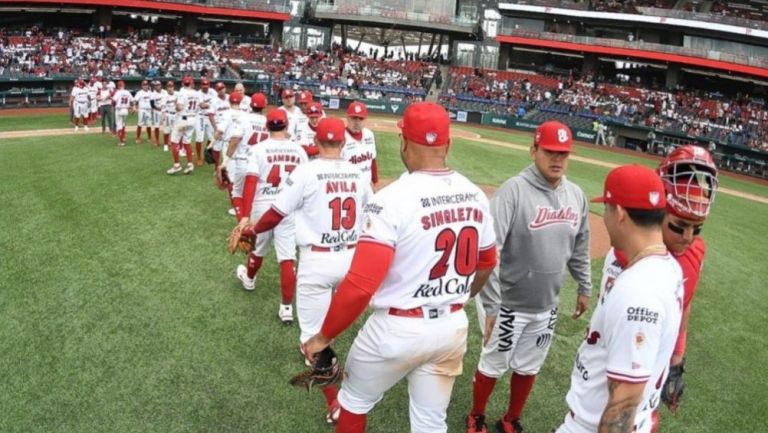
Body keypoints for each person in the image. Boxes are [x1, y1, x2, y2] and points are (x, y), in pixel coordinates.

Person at [303, 102, 498, 433]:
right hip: (451, 326)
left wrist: (322, 337)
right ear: (448, 144)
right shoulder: (475, 195)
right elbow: (487, 261)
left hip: (396, 330)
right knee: (430, 421)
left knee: (353, 402)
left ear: (404, 143)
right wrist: (460, 296)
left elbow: (361, 285)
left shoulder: (391, 199)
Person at [466, 121, 592, 433]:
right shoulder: (514, 191)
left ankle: (511, 418)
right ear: (533, 149)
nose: (558, 159)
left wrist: (584, 284)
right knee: (493, 364)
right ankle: (477, 415)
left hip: (546, 305)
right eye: (551, 151)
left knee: (529, 366)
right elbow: (489, 252)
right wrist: (492, 306)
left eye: (564, 153)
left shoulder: (576, 195)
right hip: (509, 302)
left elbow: (580, 245)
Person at [245, 116, 372, 424]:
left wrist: (253, 230)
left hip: (317, 260)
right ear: (343, 142)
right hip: (352, 258)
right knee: (357, 322)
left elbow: (276, 214)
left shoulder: (306, 171)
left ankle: (335, 404)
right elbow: (372, 215)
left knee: (313, 339)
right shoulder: (357, 172)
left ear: (316, 142)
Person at [555, 164, 683, 433]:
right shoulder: (669, 267)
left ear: (620, 213)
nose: (606, 218)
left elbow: (624, 403)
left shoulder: (638, 291)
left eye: (608, 209)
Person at [598, 145, 719, 431]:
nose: (688, 237)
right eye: (677, 227)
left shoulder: (694, 254)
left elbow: (685, 302)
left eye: (696, 229)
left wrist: (677, 355)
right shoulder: (628, 257)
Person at [235, 109, 308, 324]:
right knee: (287, 257)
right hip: (288, 206)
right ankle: (286, 307)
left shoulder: (257, 149)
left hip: (262, 205)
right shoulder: (299, 150)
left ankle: (249, 279)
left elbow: (250, 181)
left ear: (267, 127)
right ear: (287, 127)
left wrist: (245, 216)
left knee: (258, 248)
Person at [167, 76, 198, 175]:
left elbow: (179, 107)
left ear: (183, 84)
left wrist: (176, 107)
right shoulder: (196, 93)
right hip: (193, 119)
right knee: (187, 142)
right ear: (191, 83)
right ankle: (189, 164)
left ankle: (177, 165)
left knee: (174, 141)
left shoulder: (182, 92)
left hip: (183, 119)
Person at [342, 101, 379, 187]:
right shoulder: (341, 137)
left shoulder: (369, 134)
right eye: (354, 118)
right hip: (348, 187)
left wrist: (375, 181)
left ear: (365, 120)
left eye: (361, 119)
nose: (357, 122)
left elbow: (372, 160)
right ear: (347, 117)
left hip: (367, 187)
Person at [196, 78, 217, 166]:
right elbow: (202, 106)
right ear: (201, 85)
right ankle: (199, 158)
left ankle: (206, 153)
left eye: (207, 85)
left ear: (209, 85)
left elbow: (217, 102)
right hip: (200, 117)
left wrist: (209, 104)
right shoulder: (198, 93)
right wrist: (211, 104)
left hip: (210, 117)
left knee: (211, 138)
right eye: (203, 85)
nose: (205, 86)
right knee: (199, 138)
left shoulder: (212, 92)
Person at [112, 80, 134, 146]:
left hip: (119, 110)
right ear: (124, 85)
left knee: (119, 126)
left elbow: (113, 101)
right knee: (123, 124)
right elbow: (132, 101)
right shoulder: (127, 92)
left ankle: (121, 142)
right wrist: (132, 107)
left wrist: (113, 106)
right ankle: (123, 137)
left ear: (118, 86)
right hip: (126, 110)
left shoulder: (118, 92)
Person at [160, 80, 178, 152]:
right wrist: (162, 116)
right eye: (168, 86)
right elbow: (163, 107)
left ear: (173, 87)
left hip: (175, 114)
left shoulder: (177, 94)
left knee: (175, 131)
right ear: (166, 87)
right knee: (166, 131)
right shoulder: (164, 96)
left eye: (171, 86)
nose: (170, 88)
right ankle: (165, 145)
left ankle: (174, 144)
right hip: (167, 114)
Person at [150, 80, 166, 147]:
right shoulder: (153, 94)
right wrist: (158, 109)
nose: (157, 86)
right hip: (157, 112)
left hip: (165, 111)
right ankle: (157, 141)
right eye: (155, 85)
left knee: (167, 126)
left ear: (160, 85)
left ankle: (167, 141)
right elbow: (152, 105)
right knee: (157, 127)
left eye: (158, 85)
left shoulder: (165, 92)